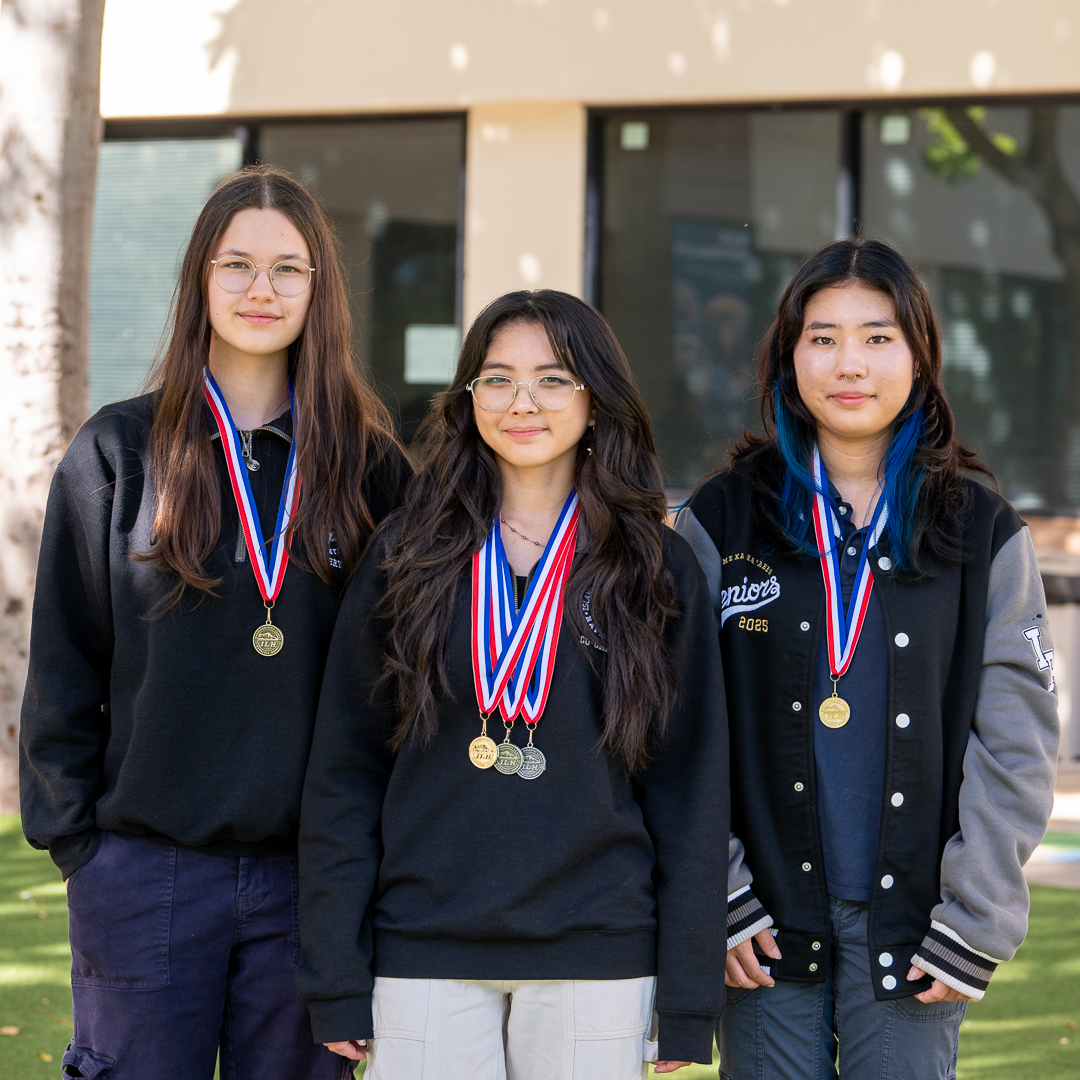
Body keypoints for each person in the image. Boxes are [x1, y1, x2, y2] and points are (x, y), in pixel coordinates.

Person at [19, 165, 410, 1080]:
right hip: (144, 875)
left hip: (313, 886)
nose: (261, 290)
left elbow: (402, 686)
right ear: (199, 279)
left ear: (323, 290)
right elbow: (64, 668)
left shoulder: (374, 472)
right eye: (236, 265)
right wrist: (83, 848)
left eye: (289, 269)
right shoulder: (117, 454)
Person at [295, 289, 730, 1080]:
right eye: (496, 379)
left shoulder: (653, 569)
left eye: (553, 379)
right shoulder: (405, 554)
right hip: (423, 947)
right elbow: (345, 773)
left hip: (597, 950)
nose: (521, 402)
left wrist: (690, 993)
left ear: (597, 401)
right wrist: (335, 972)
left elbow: (689, 789)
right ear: (467, 400)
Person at [674, 238, 1059, 1079]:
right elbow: (676, 727)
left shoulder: (981, 530)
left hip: (921, 933)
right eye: (823, 336)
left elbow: (1018, 740)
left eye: (878, 336)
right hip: (765, 926)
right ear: (788, 355)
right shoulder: (722, 519)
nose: (849, 363)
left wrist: (977, 915)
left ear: (919, 357)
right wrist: (722, 894)